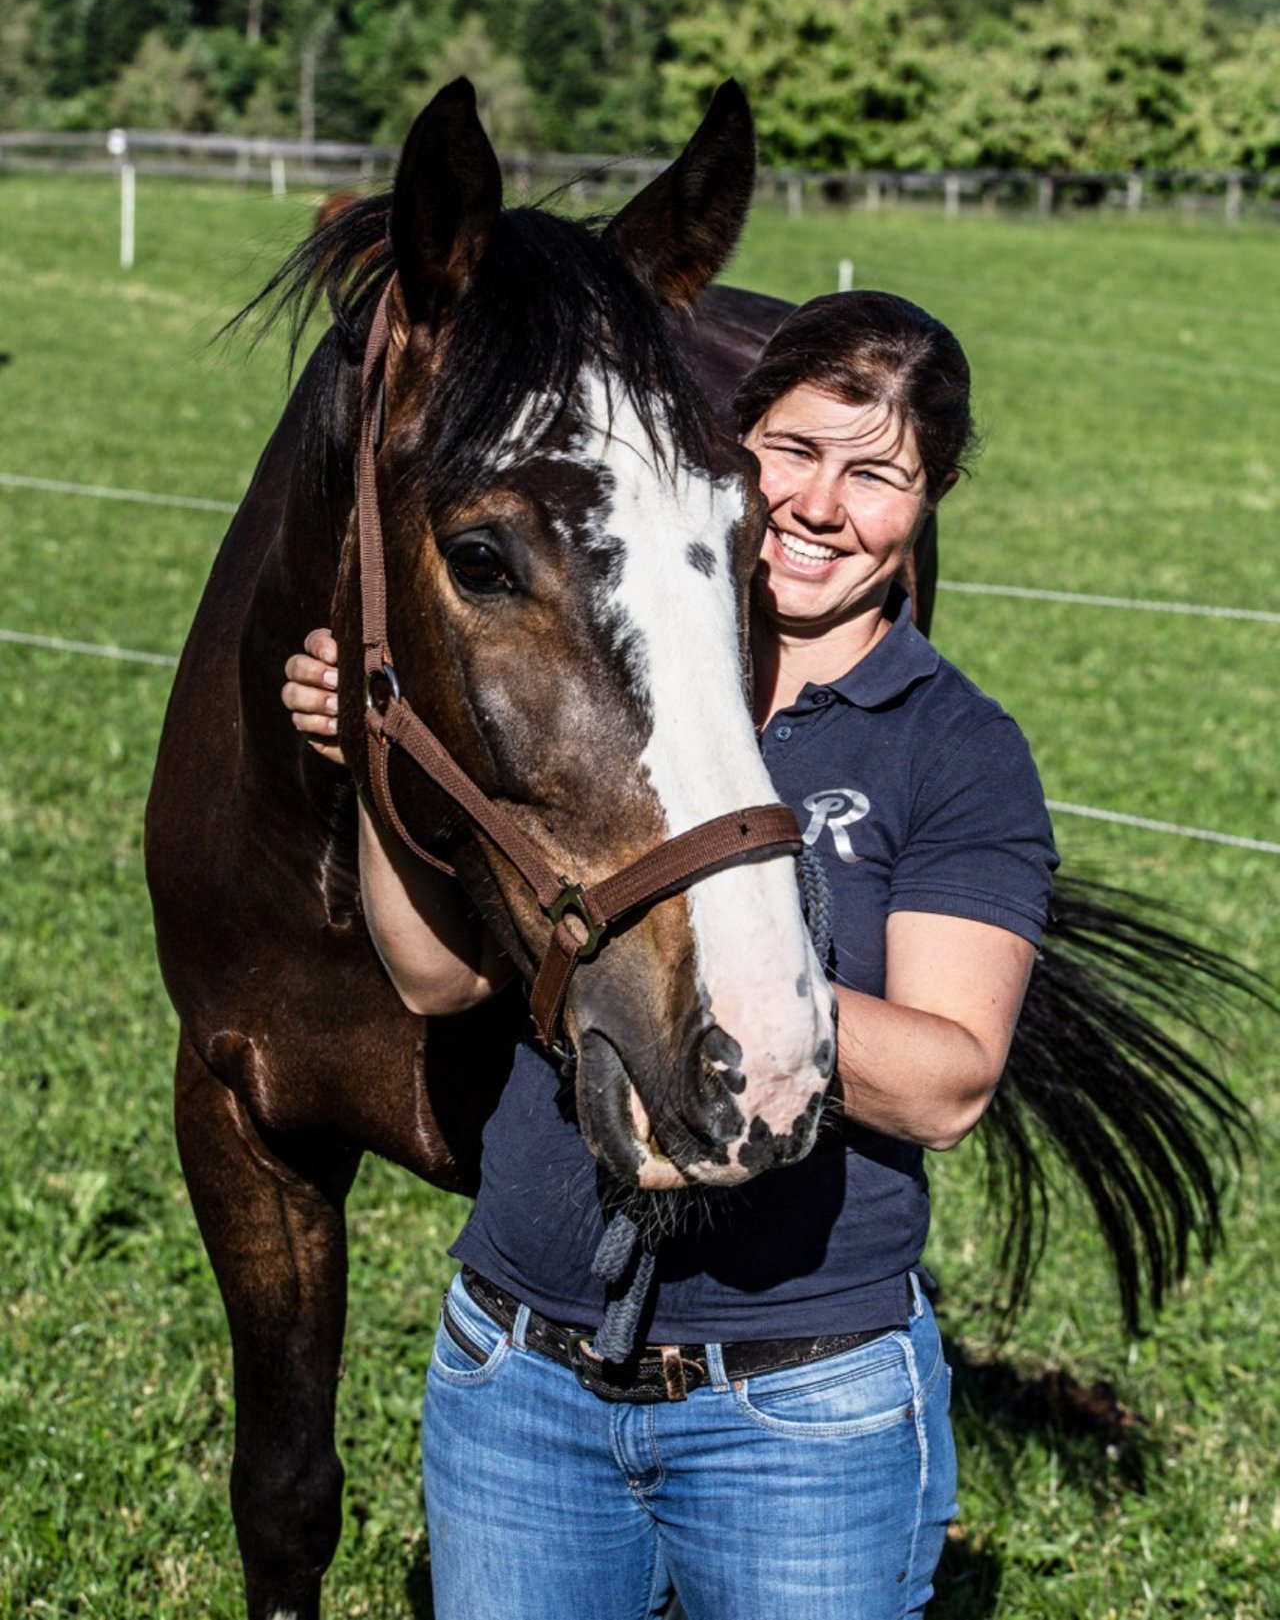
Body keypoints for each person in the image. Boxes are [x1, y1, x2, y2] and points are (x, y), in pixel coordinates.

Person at [282, 289, 1057, 1620]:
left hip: (797, 1402)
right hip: (518, 1370)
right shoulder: (624, 659)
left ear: (928, 504)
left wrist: (732, 995)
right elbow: (435, 980)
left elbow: (946, 1080)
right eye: (794, 451)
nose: (821, 504)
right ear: (731, 444)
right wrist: (376, 752)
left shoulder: (952, 746)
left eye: (878, 474)